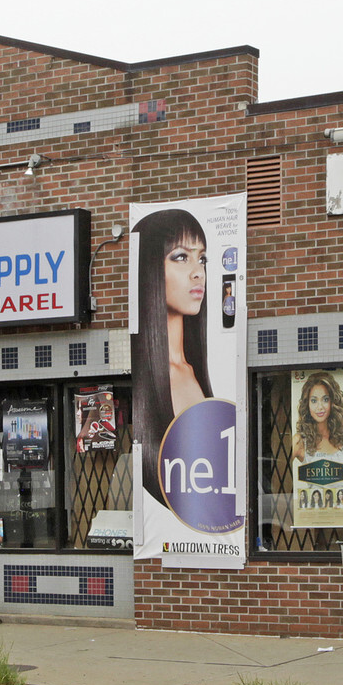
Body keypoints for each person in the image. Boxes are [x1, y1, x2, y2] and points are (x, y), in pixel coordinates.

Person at [133, 209, 213, 501]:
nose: (198, 271)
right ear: (150, 268)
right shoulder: (149, 378)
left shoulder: (196, 370)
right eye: (181, 257)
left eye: (201, 258)